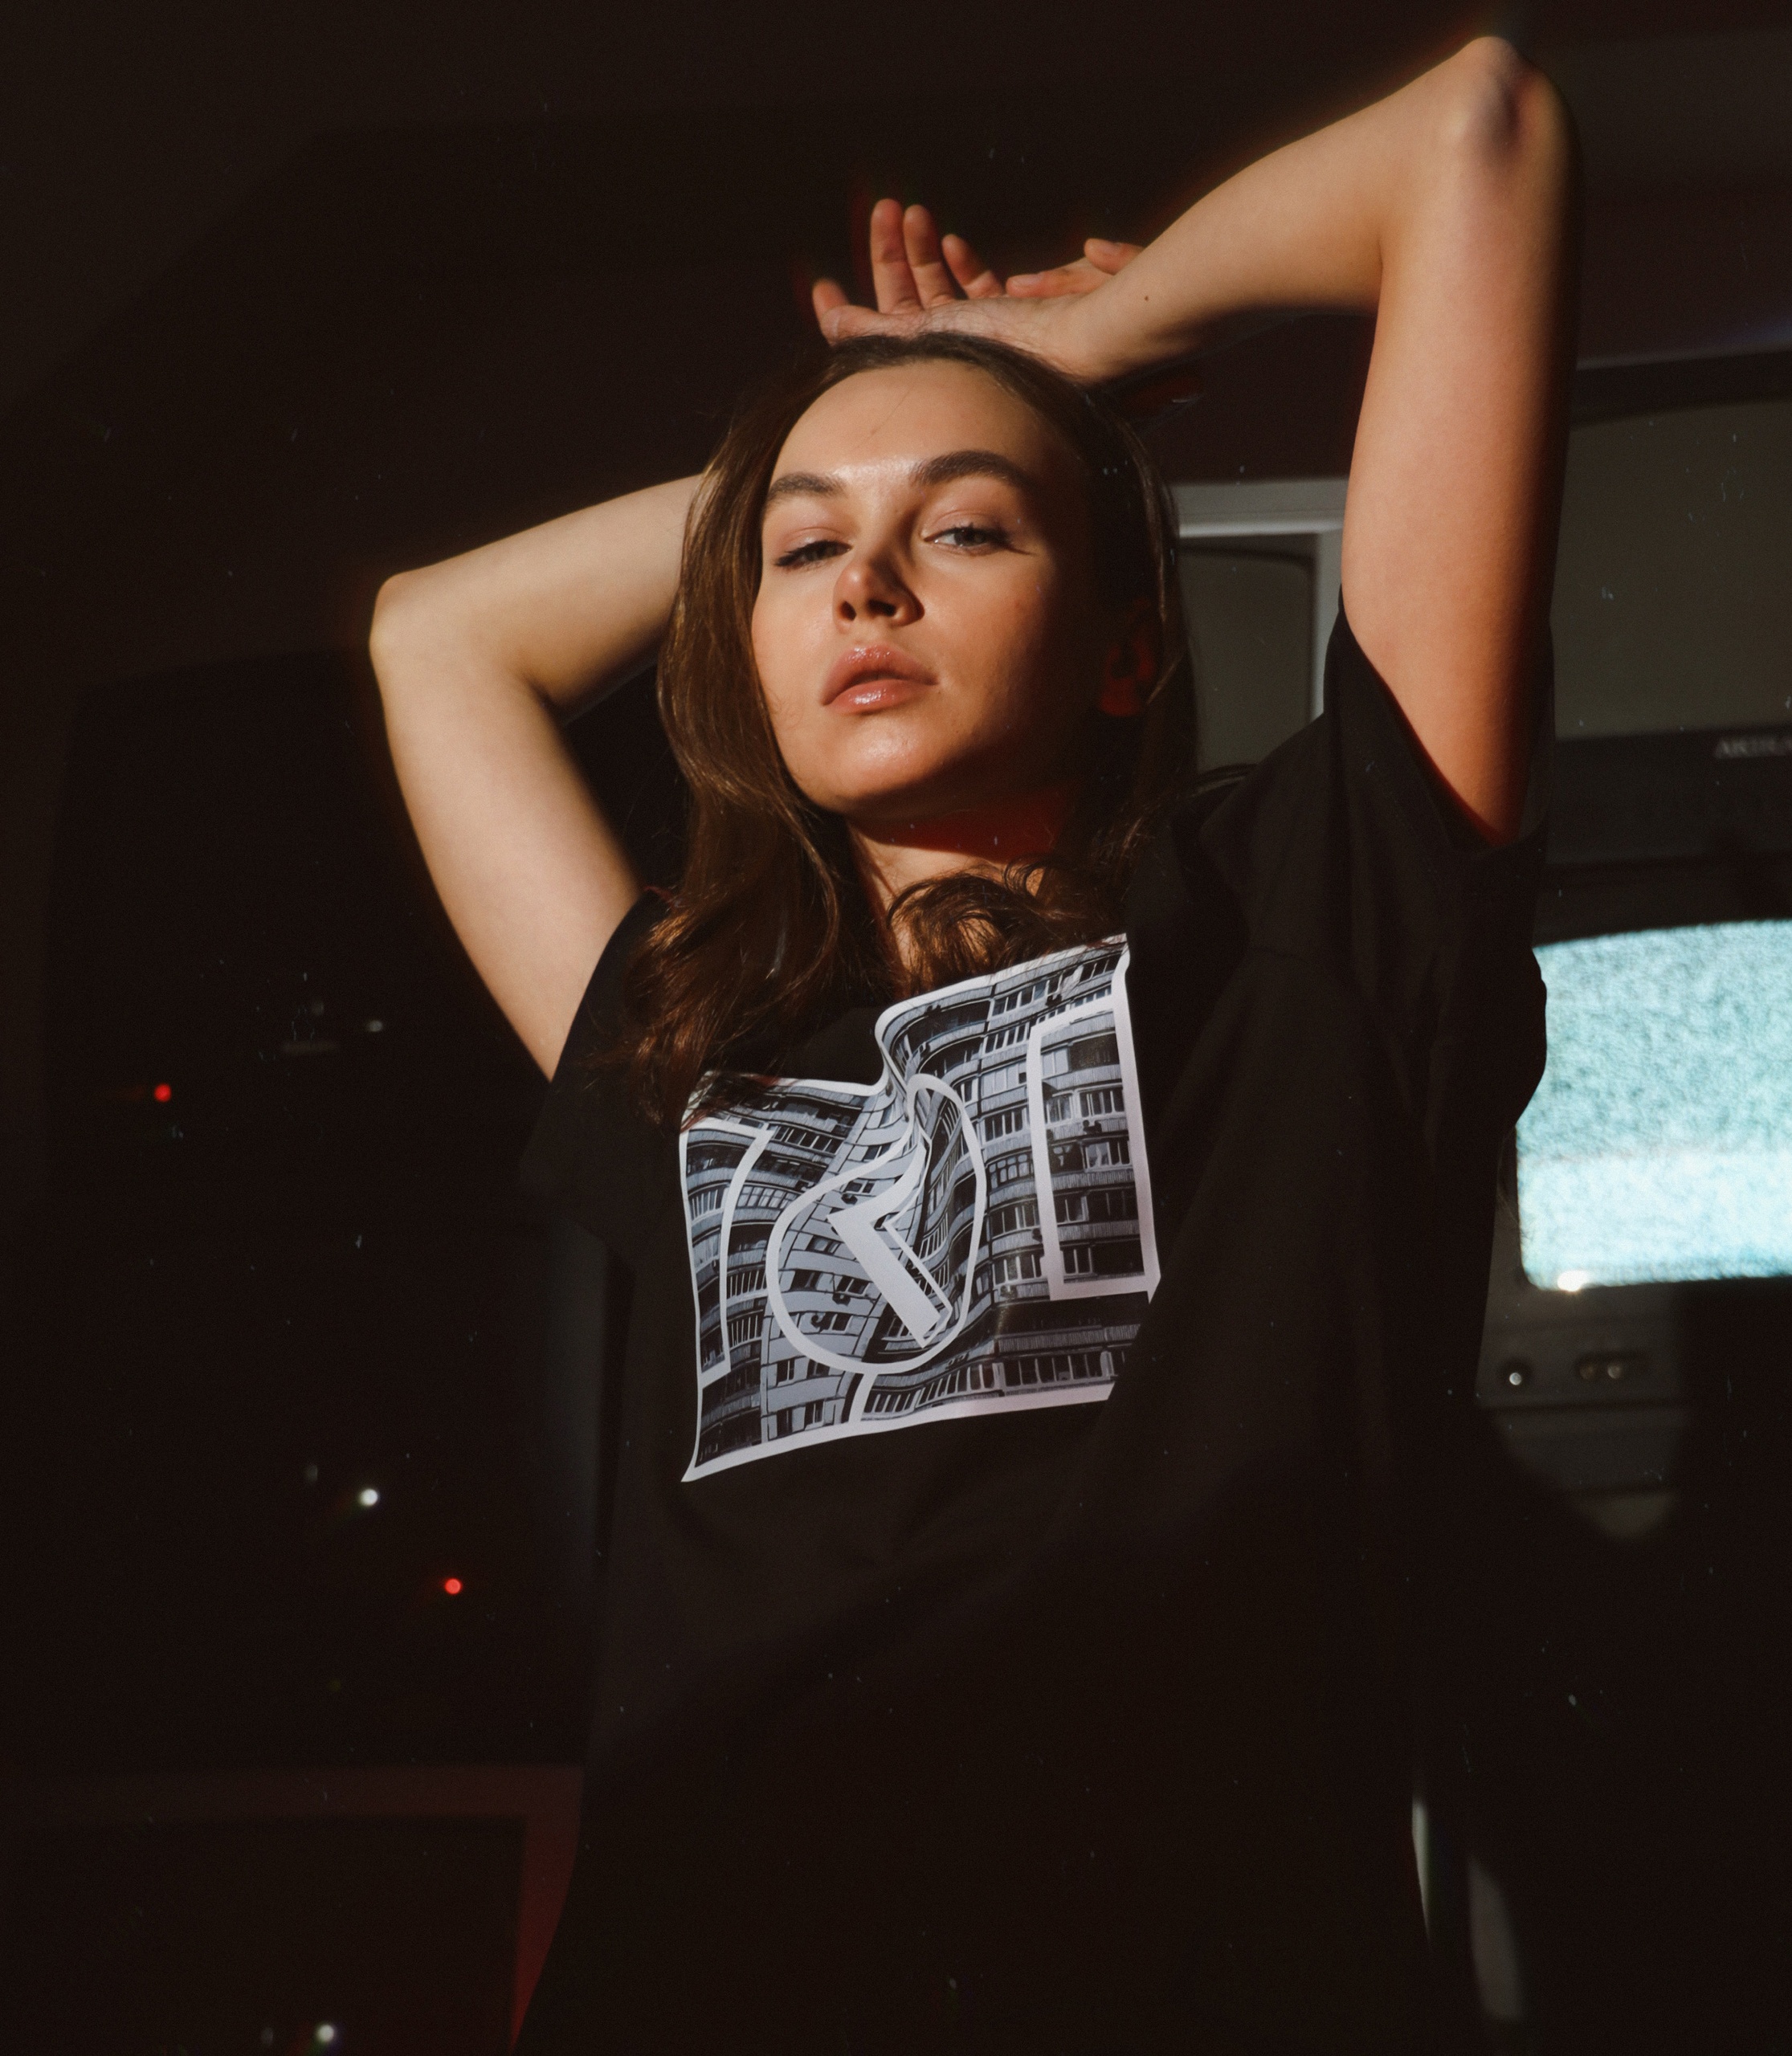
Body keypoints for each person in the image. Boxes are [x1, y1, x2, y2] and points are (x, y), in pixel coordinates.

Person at [369, 34, 1574, 2051]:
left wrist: (1079, 349)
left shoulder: (1307, 913)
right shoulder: (691, 1036)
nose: (862, 580)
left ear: (1125, 645)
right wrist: (930, 417)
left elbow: (1477, 129)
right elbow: (437, 634)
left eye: (968, 532)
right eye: (801, 549)